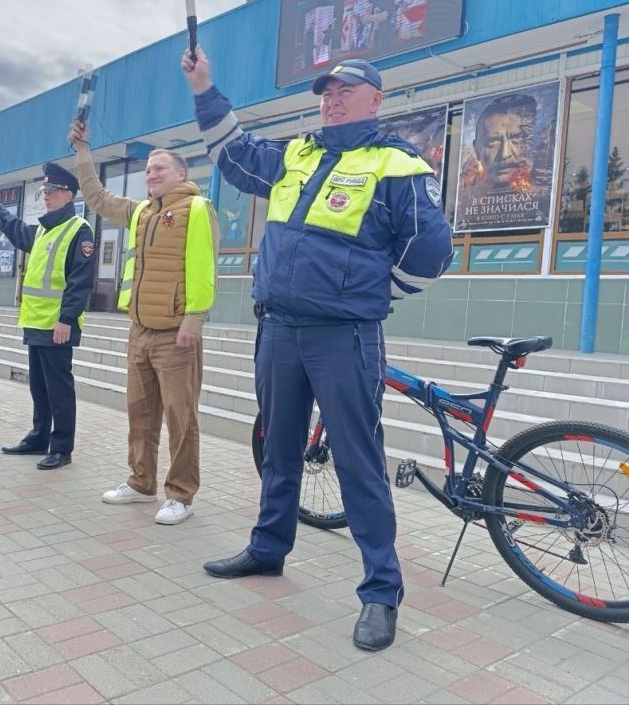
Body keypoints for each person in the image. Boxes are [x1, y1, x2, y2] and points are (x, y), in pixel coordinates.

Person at [183, 50, 453, 651]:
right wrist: (205, 88)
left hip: (344, 336)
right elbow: (234, 155)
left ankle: (381, 591)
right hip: (279, 328)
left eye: (345, 91)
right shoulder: (298, 153)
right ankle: (268, 547)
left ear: (375, 99)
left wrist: (371, 293)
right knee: (279, 447)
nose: (332, 100)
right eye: (327, 92)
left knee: (358, 461)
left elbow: (431, 250)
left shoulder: (397, 163)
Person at [67, 119, 220, 525]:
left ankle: (181, 494)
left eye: (160, 168)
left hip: (176, 333)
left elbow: (204, 266)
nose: (151, 174)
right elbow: (96, 197)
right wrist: (83, 151)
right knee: (140, 413)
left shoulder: (196, 208)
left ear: (181, 174)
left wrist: (195, 319)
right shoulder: (141, 212)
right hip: (140, 330)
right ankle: (140, 482)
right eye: (148, 169)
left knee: (180, 417)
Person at [0, 164, 95, 470]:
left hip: (57, 326)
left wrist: (66, 320)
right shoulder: (42, 230)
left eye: (52, 191)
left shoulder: (79, 230)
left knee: (59, 390)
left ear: (68, 195)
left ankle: (61, 448)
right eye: (44, 191)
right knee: (39, 388)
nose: (46, 196)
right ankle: (39, 437)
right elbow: (16, 230)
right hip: (36, 322)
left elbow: (80, 282)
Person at [471, 93, 538, 193]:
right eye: (493, 141)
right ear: (477, 150)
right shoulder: (467, 196)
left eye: (517, 138)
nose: (505, 154)